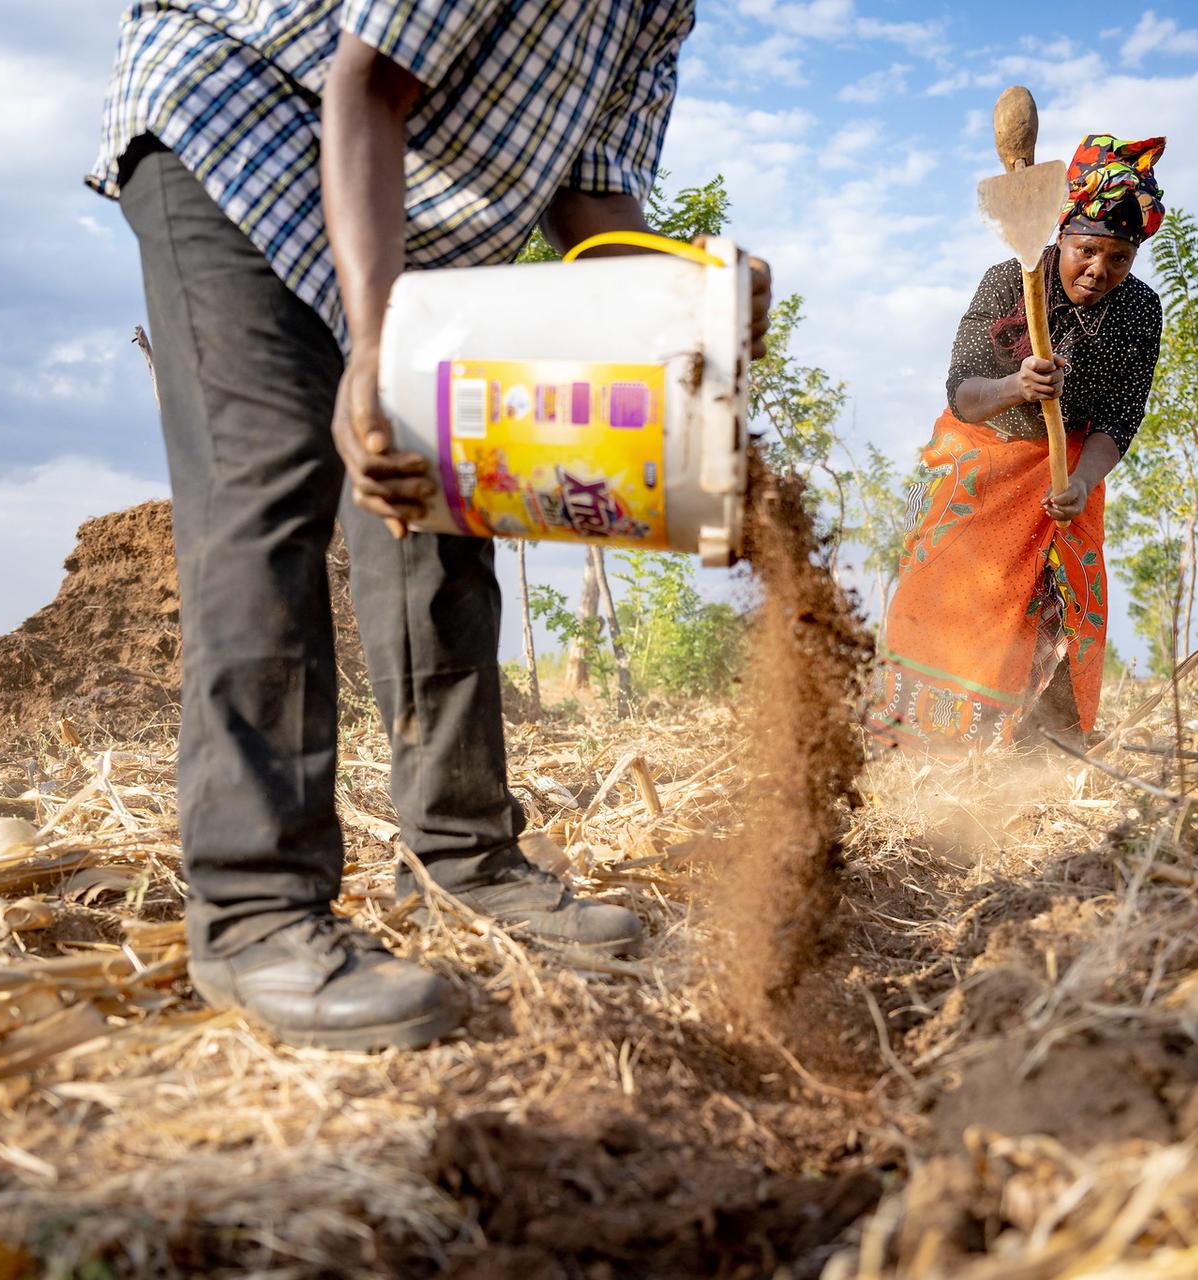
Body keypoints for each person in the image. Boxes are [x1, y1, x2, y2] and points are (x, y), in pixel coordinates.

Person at [86, 2, 769, 1051]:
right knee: (272, 482)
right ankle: (254, 908)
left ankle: (466, 858)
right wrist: (375, 345)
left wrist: (684, 294)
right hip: (247, 128)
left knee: (443, 497)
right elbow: (363, 85)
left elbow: (590, 199)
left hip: (421, 217)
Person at [865, 134, 1166, 755]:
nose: (1099, 271)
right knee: (949, 602)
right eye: (1087, 250)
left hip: (1066, 471)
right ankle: (926, 749)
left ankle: (1037, 748)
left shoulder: (1140, 309)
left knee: (1059, 604)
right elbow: (963, 395)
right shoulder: (1007, 281)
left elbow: (1120, 416)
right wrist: (1015, 383)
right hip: (983, 461)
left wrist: (1082, 482)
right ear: (1059, 236)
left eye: (1118, 258)